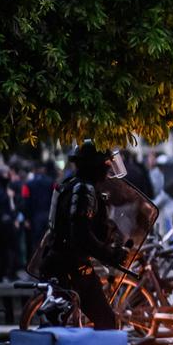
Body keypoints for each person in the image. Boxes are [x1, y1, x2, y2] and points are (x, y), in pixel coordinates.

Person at [39, 140, 130, 329]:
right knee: (99, 323)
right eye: (105, 164)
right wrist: (109, 254)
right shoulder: (83, 190)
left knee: (104, 321)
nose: (108, 169)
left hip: (72, 266)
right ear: (94, 166)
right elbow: (81, 235)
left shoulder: (73, 185)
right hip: (69, 269)